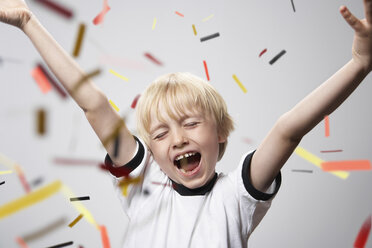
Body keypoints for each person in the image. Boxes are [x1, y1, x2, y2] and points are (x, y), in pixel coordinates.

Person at [1, 0, 372, 247]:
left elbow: (289, 129)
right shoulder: (142, 183)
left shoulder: (237, 197)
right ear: (154, 153)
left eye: (191, 124)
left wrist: (359, 63)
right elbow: (94, 104)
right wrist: (28, 21)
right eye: (161, 133)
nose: (177, 139)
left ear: (221, 132)